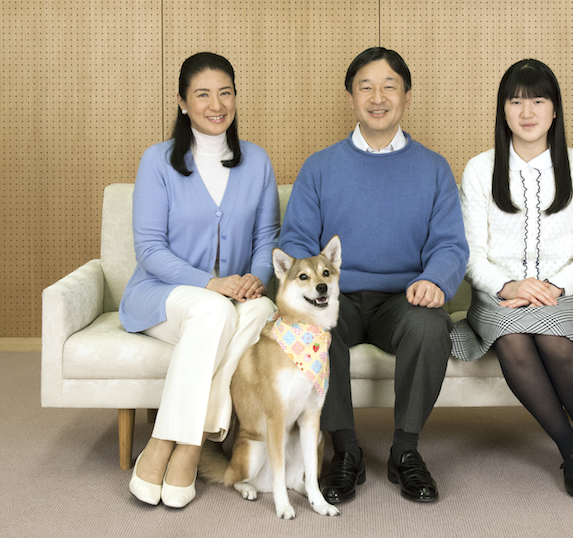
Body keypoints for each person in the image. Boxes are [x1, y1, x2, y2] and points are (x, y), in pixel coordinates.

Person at [279, 47, 468, 504]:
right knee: (314, 331)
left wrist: (435, 281)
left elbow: (450, 243)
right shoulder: (320, 167)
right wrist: (315, 290)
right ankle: (345, 452)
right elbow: (296, 241)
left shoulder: (434, 168)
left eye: (389, 87)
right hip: (334, 296)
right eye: (366, 86)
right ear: (350, 98)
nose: (377, 97)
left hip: (402, 298)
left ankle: (406, 453)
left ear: (406, 96)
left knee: (430, 327)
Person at [451, 59, 573, 499]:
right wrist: (508, 286)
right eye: (515, 101)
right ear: (503, 111)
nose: (527, 111)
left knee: (555, 338)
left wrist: (555, 287)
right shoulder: (480, 169)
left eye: (538, 100)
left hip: (567, 291)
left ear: (555, 110)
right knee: (514, 338)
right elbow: (471, 255)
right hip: (500, 295)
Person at [119, 52, 279, 508]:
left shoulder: (258, 162)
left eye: (225, 92)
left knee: (262, 311)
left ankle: (184, 442)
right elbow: (149, 251)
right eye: (203, 94)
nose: (216, 104)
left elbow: (268, 236)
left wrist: (256, 278)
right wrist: (211, 285)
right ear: (182, 103)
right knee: (213, 309)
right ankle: (173, 445)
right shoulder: (156, 162)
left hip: (231, 299)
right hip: (162, 296)